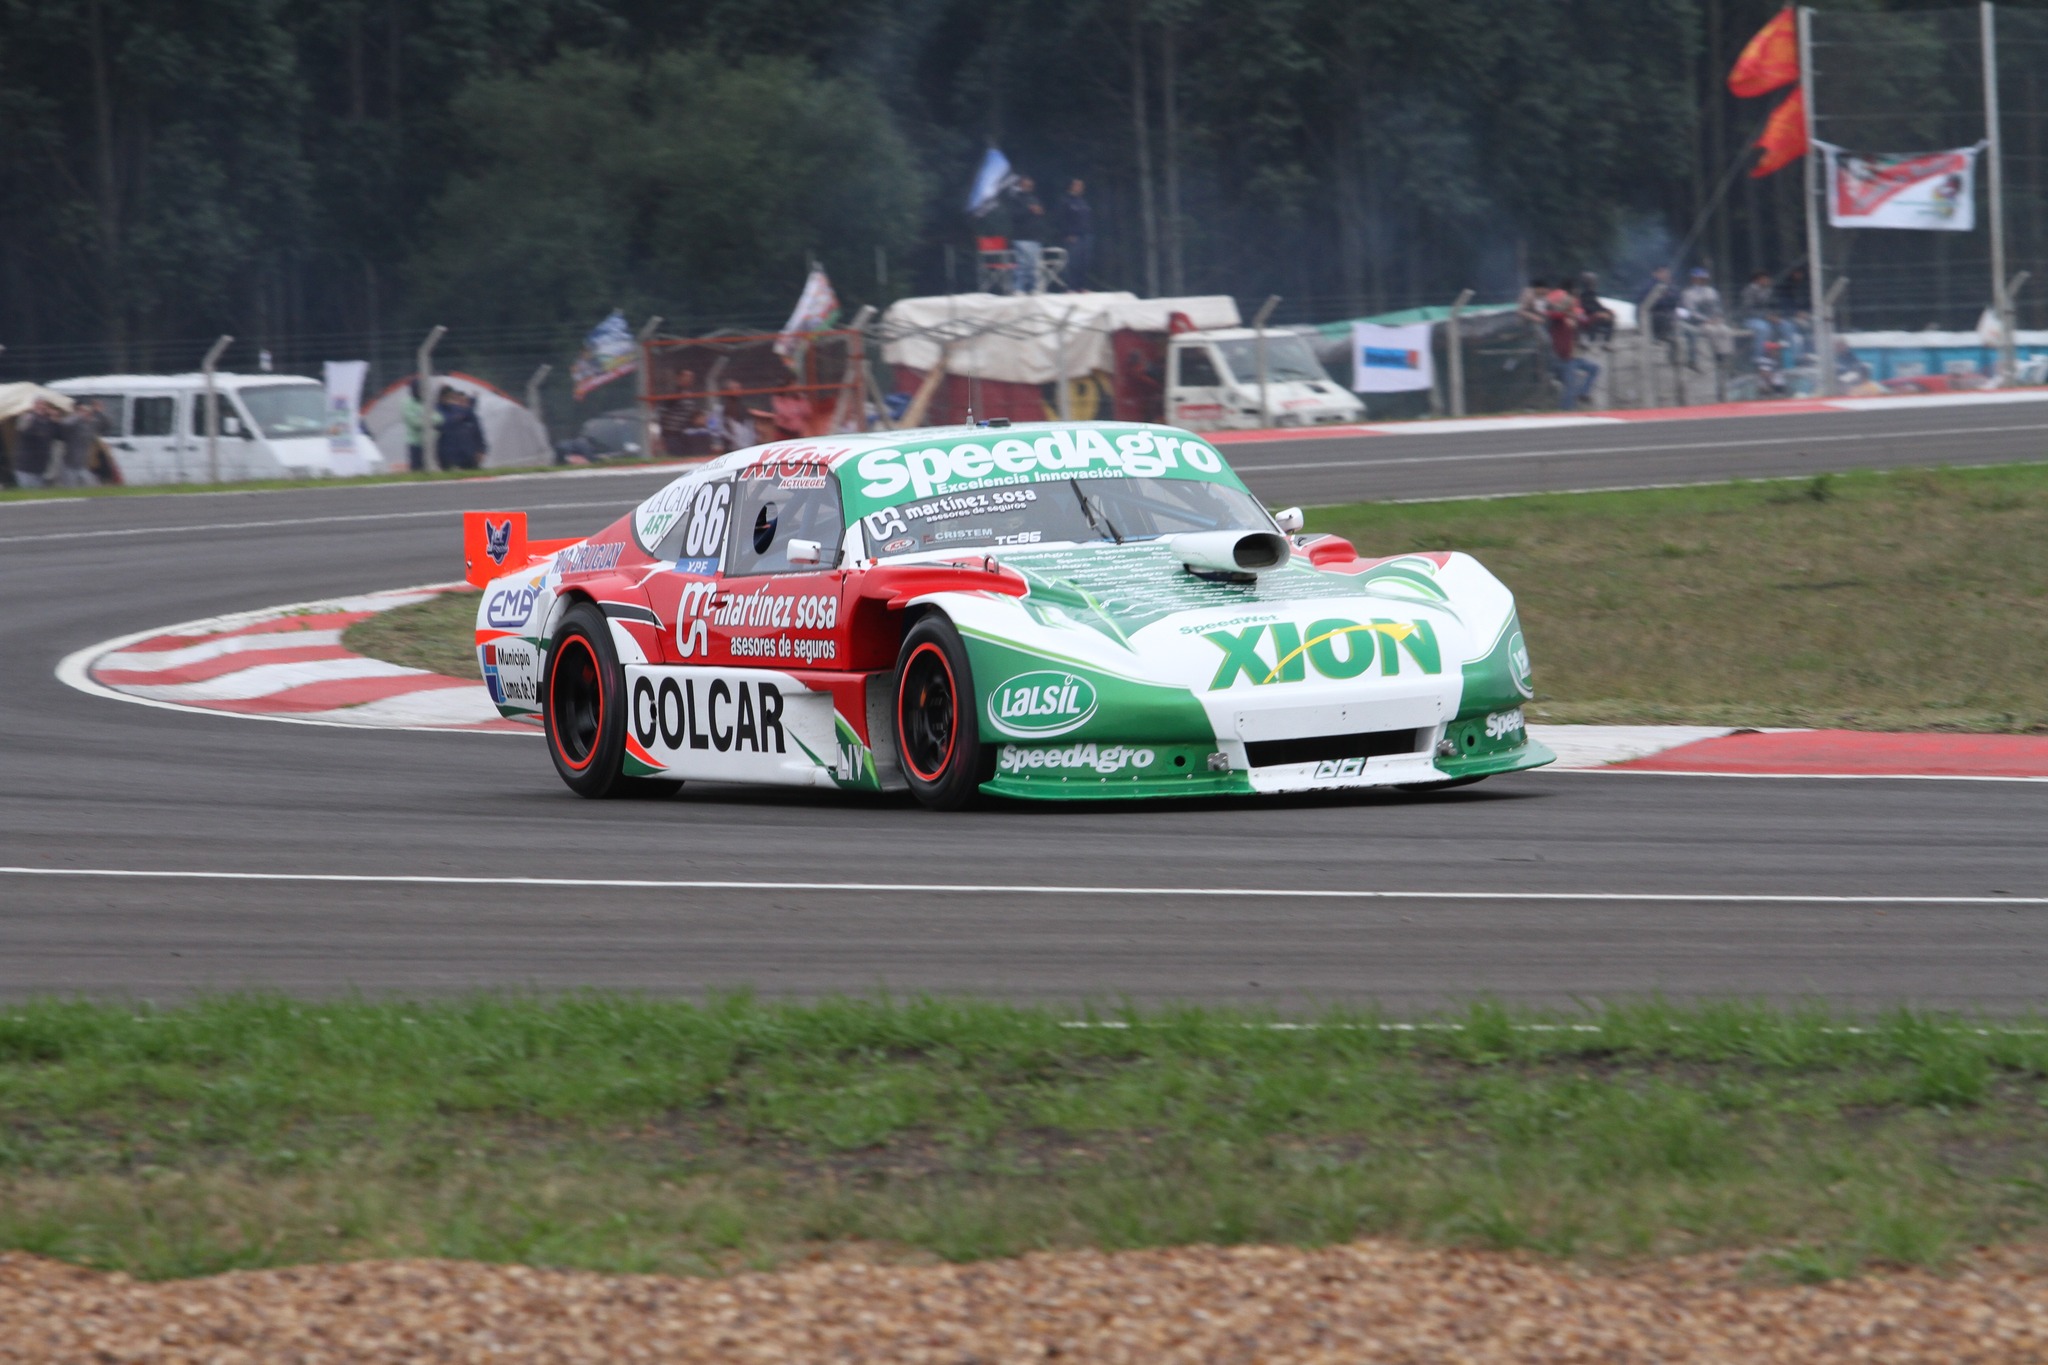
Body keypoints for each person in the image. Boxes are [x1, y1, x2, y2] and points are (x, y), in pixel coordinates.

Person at [1541, 285, 1600, 411]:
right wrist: (1564, 308)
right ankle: (1566, 410)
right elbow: (1553, 314)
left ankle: (1583, 393)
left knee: (1594, 368)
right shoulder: (1557, 319)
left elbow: (1585, 321)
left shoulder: (1573, 317)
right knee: (1570, 384)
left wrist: (1598, 316)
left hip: (1575, 356)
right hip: (1564, 358)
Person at [1740, 271, 1802, 371]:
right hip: (1751, 319)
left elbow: (1775, 306)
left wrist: (1776, 316)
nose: (1768, 281)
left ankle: (1795, 357)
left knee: (1787, 325)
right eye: (1765, 279)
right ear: (1758, 280)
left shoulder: (1769, 291)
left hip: (1769, 319)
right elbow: (1748, 310)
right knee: (1763, 328)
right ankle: (1759, 358)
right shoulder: (1748, 291)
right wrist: (1767, 316)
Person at [1677, 267, 1728, 371]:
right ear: (1693, 279)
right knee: (1711, 331)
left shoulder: (1712, 292)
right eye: (1699, 278)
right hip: (1698, 322)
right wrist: (1705, 320)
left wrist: (1718, 317)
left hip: (1714, 320)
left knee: (1725, 330)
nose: (1701, 280)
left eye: (1703, 278)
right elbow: (1691, 311)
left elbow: (1717, 306)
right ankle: (1717, 354)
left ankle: (1724, 354)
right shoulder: (1688, 294)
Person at [1007, 175, 1046, 295]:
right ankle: (1019, 288)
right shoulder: (1016, 198)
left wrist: (1039, 211)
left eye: (1030, 185)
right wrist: (1029, 210)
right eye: (1026, 184)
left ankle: (1032, 288)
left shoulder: (1034, 198)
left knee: (1033, 265)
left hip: (1035, 237)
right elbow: (1014, 216)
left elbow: (1040, 213)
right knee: (1023, 264)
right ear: (1021, 185)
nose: (1029, 186)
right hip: (1022, 237)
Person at [59, 398, 108, 487]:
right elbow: (65, 424)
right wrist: (78, 416)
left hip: (83, 463)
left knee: (90, 486)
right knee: (70, 487)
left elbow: (106, 425)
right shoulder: (74, 422)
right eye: (83, 411)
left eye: (87, 412)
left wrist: (99, 412)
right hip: (70, 463)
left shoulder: (91, 424)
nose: (86, 414)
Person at [436, 388, 487, 470]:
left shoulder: (469, 415)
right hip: (449, 454)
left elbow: (477, 433)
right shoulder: (439, 412)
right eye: (452, 399)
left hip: (468, 454)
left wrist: (481, 449)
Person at [13, 400, 61, 488]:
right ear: (34, 406)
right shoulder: (28, 418)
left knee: (37, 493)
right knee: (28, 494)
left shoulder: (48, 422)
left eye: (44, 405)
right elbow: (25, 432)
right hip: (26, 466)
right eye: (39, 405)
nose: (42, 407)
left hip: (40, 466)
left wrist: (55, 421)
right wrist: (35, 418)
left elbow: (58, 436)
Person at [1059, 178, 1094, 291]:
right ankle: (1070, 287)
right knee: (1072, 262)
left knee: (1084, 262)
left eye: (1081, 185)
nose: (1080, 188)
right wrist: (1068, 233)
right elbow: (1062, 219)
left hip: (1085, 235)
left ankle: (1081, 286)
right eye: (1077, 185)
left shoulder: (1083, 202)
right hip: (1073, 237)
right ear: (1071, 186)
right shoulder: (1065, 201)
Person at [1638, 266, 1680, 356]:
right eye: (1662, 272)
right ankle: (1659, 336)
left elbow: (1675, 299)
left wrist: (1668, 296)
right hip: (1652, 314)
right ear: (1655, 273)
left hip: (1668, 314)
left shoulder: (1669, 286)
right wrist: (1664, 299)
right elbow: (1647, 302)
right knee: (1662, 317)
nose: (1665, 275)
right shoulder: (1649, 285)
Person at [1575, 272, 1616, 345]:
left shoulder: (1592, 293)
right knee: (1597, 316)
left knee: (1611, 314)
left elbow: (1597, 304)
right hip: (1586, 314)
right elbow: (1586, 306)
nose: (1594, 283)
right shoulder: (1583, 294)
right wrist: (1599, 312)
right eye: (1592, 281)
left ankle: (1607, 340)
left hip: (1593, 312)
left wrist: (1606, 310)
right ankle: (1591, 338)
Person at [403, 381, 427, 471]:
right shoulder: (407, 403)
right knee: (416, 468)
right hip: (415, 441)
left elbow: (438, 418)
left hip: (428, 442)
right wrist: (428, 422)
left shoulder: (426, 402)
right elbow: (414, 422)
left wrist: (424, 420)